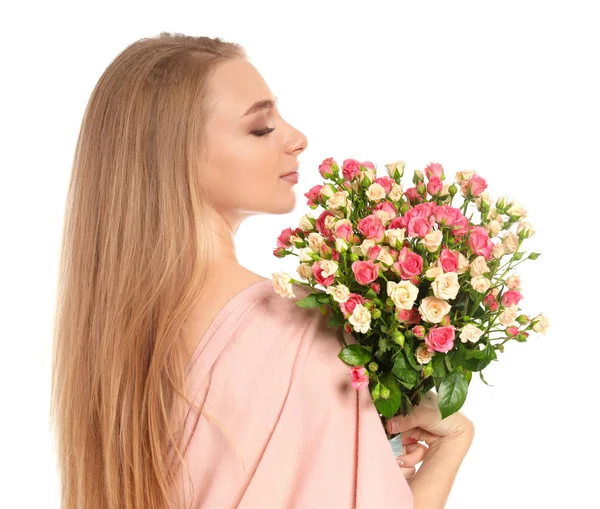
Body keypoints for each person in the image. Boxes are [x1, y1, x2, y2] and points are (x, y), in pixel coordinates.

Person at [50, 32, 474, 509]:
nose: (297, 139)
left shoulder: (108, 342)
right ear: (174, 156)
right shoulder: (299, 331)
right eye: (260, 128)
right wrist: (452, 443)